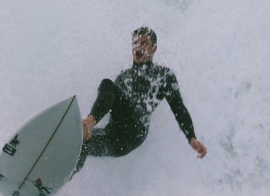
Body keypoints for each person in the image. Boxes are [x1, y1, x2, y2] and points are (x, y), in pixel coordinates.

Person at [75, 27, 207, 173]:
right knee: (80, 140)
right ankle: (63, 177)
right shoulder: (123, 77)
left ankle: (88, 123)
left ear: (154, 49)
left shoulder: (164, 76)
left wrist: (191, 137)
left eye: (144, 43)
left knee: (107, 84)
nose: (138, 46)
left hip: (134, 132)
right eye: (135, 42)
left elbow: (179, 109)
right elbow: (107, 103)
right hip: (113, 138)